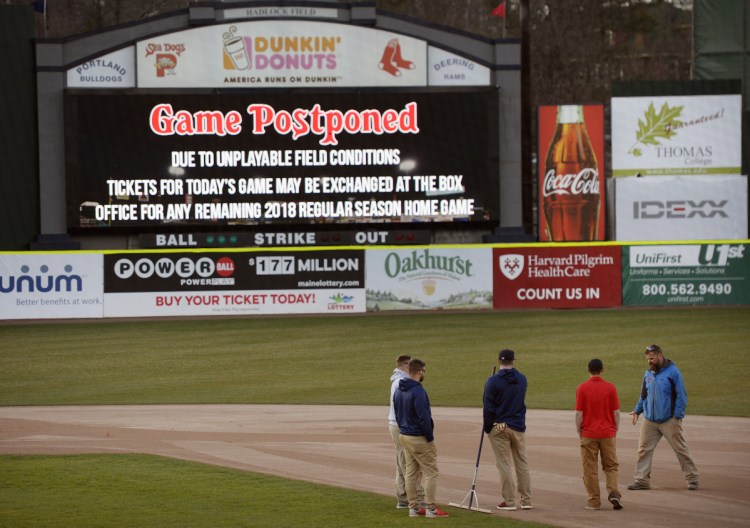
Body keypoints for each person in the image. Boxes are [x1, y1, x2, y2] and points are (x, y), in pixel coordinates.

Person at [628, 344, 699, 490]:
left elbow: (681, 396)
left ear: (660, 356)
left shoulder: (673, 373)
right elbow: (643, 395)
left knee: (680, 449)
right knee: (643, 450)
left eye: (652, 358)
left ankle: (692, 479)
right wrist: (637, 411)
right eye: (648, 359)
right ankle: (641, 481)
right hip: (650, 420)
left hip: (669, 419)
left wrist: (677, 416)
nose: (650, 361)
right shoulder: (648, 374)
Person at [393, 358, 449, 518]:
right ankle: (430, 508)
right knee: (431, 472)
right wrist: (429, 436)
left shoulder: (399, 389)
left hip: (404, 435)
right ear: (419, 372)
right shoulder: (418, 391)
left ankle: (414, 508)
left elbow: (397, 414)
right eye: (424, 371)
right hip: (418, 437)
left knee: (411, 472)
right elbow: (424, 417)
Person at [482, 349, 532, 511]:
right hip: (517, 425)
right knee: (522, 463)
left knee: (504, 464)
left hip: (499, 426)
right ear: (513, 361)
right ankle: (526, 500)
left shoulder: (492, 381)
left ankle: (509, 501)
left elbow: (488, 408)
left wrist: (487, 427)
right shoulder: (522, 379)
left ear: (499, 361)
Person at [575, 359, 623, 510]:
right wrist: (615, 430)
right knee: (611, 466)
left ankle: (594, 501)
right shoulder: (610, 388)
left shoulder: (582, 388)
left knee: (590, 468)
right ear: (602, 370)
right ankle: (613, 491)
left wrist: (579, 431)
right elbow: (616, 413)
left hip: (589, 433)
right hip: (608, 432)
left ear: (588, 369)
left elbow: (579, 414)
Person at [388, 354, 424, 509]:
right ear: (405, 365)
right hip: (401, 425)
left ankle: (403, 498)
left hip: (397, 424)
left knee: (401, 461)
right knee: (408, 464)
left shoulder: (397, 380)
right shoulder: (401, 382)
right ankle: (415, 499)